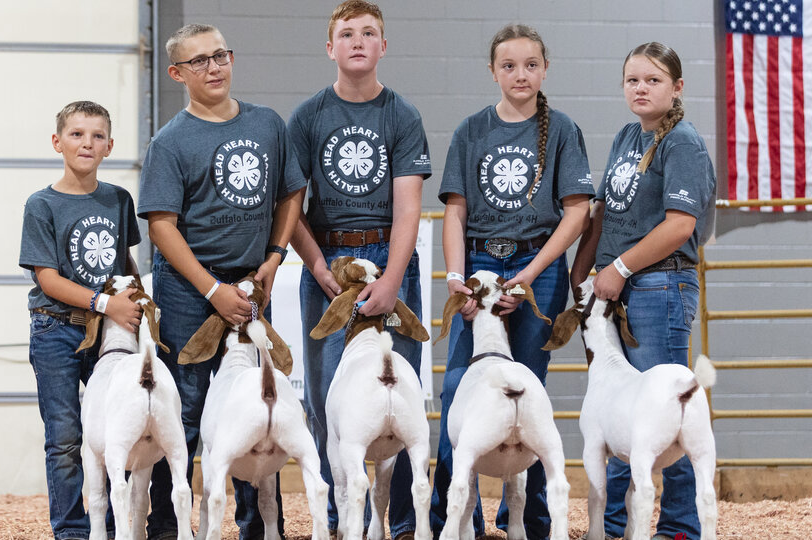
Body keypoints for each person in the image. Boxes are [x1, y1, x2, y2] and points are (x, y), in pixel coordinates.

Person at [137, 24, 305, 540]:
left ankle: (255, 526)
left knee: (259, 404)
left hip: (254, 285)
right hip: (190, 292)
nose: (214, 68)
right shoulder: (169, 142)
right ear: (177, 73)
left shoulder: (267, 124)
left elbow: (290, 193)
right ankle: (168, 525)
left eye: (221, 56)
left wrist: (276, 257)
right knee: (182, 410)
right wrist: (212, 290)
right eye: (200, 61)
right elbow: (161, 225)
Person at [430, 24, 594, 540]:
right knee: (460, 386)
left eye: (529, 65)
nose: (519, 74)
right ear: (492, 71)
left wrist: (529, 275)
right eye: (508, 65)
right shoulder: (470, 130)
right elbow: (454, 212)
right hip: (478, 266)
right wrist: (457, 277)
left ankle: (530, 521)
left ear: (545, 69)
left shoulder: (563, 129)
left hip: (536, 270)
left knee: (529, 390)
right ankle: (455, 520)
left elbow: (577, 213)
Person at [286, 1, 432, 538]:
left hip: (391, 261)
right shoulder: (307, 118)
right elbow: (291, 208)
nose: (357, 41)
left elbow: (408, 207)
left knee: (402, 394)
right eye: (346, 33)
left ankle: (402, 525)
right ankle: (338, 518)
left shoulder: (402, 115)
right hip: (330, 265)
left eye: (369, 33)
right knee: (327, 400)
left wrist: (393, 280)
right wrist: (318, 263)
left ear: (382, 47)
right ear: (330, 47)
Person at [570, 41, 716, 540]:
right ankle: (614, 525)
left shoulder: (683, 143)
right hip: (620, 287)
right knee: (622, 414)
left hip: (659, 285)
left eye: (653, 80)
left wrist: (621, 268)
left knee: (666, 413)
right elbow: (605, 211)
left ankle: (677, 527)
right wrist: (582, 271)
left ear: (677, 88)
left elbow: (680, 226)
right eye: (632, 79)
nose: (641, 88)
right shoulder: (627, 137)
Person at [20, 100, 143, 540]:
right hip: (56, 328)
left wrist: (133, 298)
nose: (86, 143)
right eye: (76, 134)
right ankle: (72, 531)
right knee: (66, 436)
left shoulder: (118, 200)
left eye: (96, 136)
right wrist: (107, 305)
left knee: (111, 430)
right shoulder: (42, 205)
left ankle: (109, 526)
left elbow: (123, 259)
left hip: (107, 334)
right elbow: (48, 279)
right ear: (58, 142)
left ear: (110, 146)